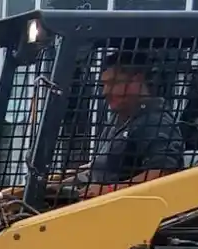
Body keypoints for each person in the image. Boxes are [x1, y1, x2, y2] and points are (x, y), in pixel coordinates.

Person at [62, 49, 186, 198]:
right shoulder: (118, 119)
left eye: (113, 83)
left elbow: (163, 174)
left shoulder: (156, 122)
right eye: (104, 85)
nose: (105, 92)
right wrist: (61, 185)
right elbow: (103, 172)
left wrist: (110, 191)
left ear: (137, 80)